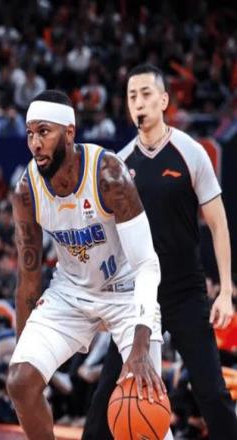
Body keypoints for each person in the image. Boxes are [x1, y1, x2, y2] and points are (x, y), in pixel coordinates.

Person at [6, 89, 173, 440]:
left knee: (144, 407)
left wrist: (141, 346)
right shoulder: (27, 191)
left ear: (69, 132)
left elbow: (147, 264)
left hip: (126, 291)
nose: (35, 143)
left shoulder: (108, 175)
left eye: (44, 132)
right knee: (20, 382)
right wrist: (25, 349)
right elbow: (28, 276)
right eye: (30, 133)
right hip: (71, 292)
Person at [82, 64, 237, 440]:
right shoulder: (118, 164)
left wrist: (225, 291)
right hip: (138, 297)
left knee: (212, 393)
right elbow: (108, 240)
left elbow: (218, 224)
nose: (138, 102)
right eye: (132, 96)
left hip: (185, 291)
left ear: (164, 100)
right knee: (106, 399)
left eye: (146, 94)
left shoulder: (191, 152)